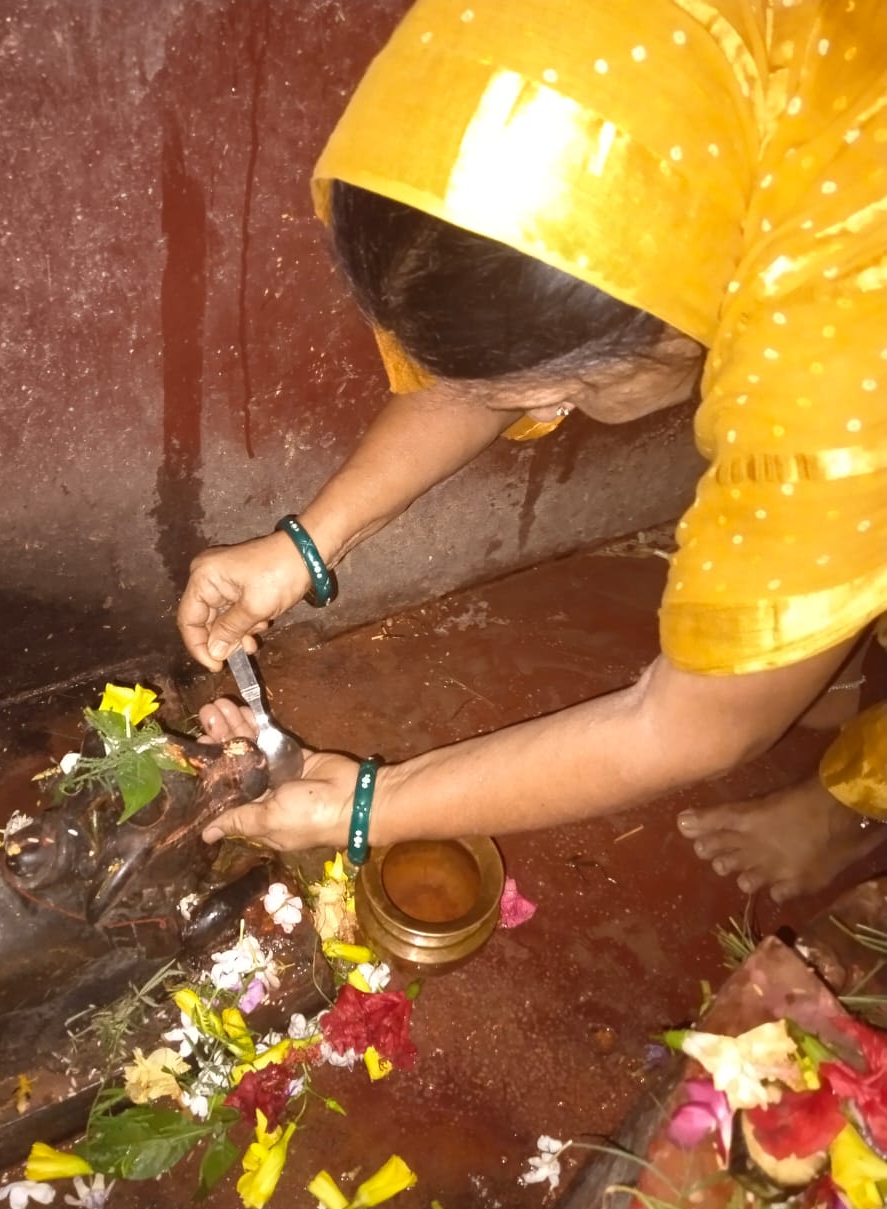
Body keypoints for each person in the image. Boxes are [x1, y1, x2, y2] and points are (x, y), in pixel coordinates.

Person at [178, 0, 886, 903]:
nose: (551, 411)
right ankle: (830, 653)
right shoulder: (590, 70)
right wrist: (306, 544)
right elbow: (519, 331)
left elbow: (687, 727)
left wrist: (369, 806)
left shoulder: (839, 360)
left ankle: (853, 801)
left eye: (567, 392)